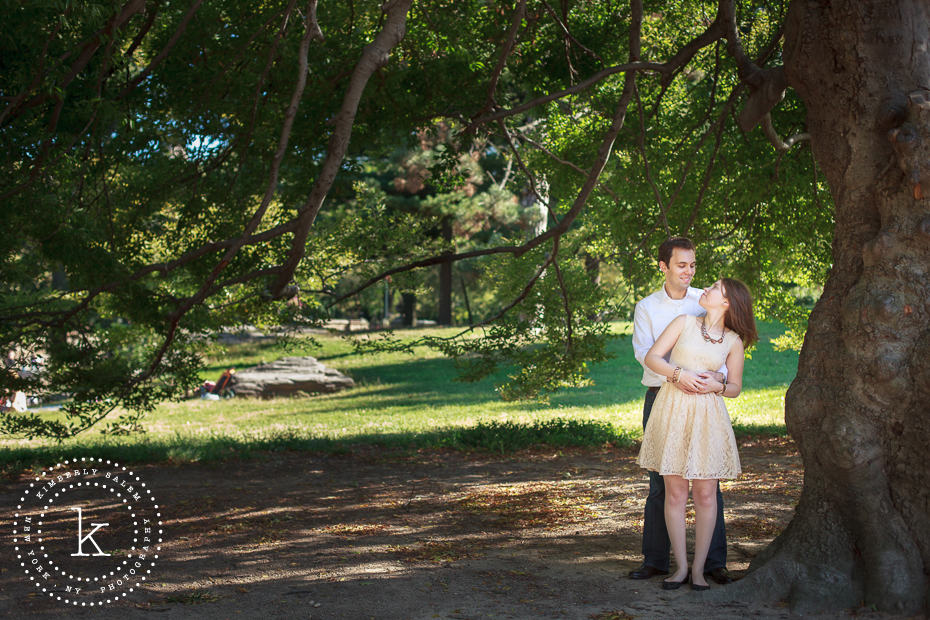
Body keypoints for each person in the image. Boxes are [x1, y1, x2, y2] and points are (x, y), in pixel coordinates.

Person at [637, 277, 758, 590]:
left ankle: (701, 570)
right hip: (673, 410)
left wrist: (718, 385)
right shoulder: (684, 322)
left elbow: (735, 388)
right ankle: (679, 568)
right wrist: (679, 374)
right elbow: (652, 358)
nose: (707, 289)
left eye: (716, 288)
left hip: (708, 417)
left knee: (706, 494)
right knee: (675, 492)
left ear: (728, 302)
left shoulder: (733, 341)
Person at [628, 237, 732, 585]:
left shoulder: (705, 300)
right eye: (681, 265)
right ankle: (657, 560)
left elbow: (722, 347)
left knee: (708, 484)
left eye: (692, 265)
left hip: (702, 400)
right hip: (661, 396)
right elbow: (645, 353)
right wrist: (677, 375)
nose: (688, 271)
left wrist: (716, 377)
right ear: (664, 267)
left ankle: (714, 562)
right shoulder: (647, 308)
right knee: (661, 482)